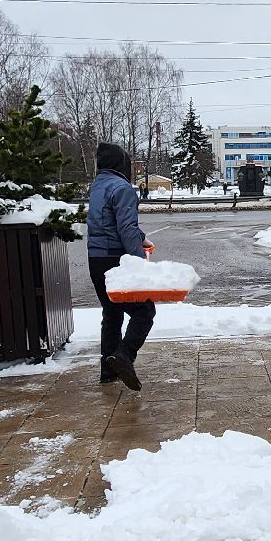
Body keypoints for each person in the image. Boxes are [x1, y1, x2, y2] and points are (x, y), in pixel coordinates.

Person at [87, 142, 154, 391]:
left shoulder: (98, 186)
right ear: (121, 164)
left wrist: (141, 236)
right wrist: (138, 263)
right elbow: (125, 228)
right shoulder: (123, 187)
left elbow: (111, 223)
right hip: (115, 259)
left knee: (112, 312)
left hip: (96, 259)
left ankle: (108, 370)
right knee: (144, 311)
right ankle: (124, 355)